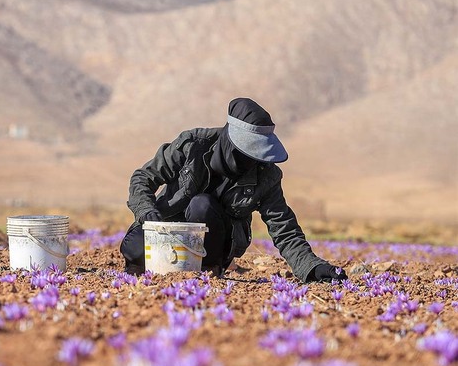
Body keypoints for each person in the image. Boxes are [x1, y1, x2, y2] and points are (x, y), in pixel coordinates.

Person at [120, 97, 346, 283]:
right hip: (168, 227)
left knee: (202, 204)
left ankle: (208, 271)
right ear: (229, 139)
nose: (250, 161)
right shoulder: (192, 145)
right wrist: (145, 210)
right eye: (245, 153)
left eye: (256, 155)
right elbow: (144, 177)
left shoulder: (266, 174)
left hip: (215, 243)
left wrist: (312, 267)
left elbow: (283, 227)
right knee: (134, 250)